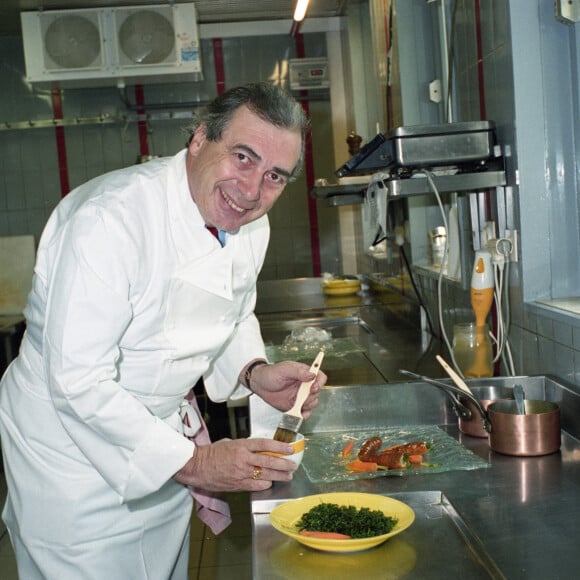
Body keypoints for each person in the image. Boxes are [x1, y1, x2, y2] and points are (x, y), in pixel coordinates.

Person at [0, 82, 326, 579]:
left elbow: (230, 309)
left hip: (161, 443)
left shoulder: (249, 225)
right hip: (71, 455)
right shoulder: (110, 221)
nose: (252, 189)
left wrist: (253, 371)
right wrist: (198, 464)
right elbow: (77, 381)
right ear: (199, 140)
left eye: (275, 176)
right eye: (243, 157)